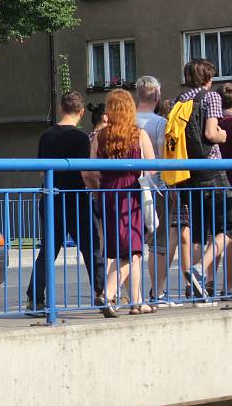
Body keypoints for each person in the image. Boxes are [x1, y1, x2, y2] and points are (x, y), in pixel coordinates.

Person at [26, 91, 104, 316]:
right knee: (91, 247)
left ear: (61, 108)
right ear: (81, 112)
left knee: (48, 250)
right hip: (76, 199)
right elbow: (86, 171)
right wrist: (96, 192)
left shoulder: (46, 136)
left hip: (51, 198)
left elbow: (42, 169)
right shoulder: (80, 138)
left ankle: (35, 299)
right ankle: (101, 292)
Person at [84, 89, 156, 317]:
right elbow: (153, 166)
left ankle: (137, 302)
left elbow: (91, 169)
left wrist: (98, 190)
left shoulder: (100, 136)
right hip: (130, 192)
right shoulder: (138, 134)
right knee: (132, 250)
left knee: (121, 248)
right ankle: (108, 293)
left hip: (107, 192)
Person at [168, 59, 228, 299]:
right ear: (208, 79)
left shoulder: (178, 102)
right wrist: (222, 135)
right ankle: (200, 271)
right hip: (211, 171)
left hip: (187, 173)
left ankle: (193, 286)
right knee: (228, 227)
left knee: (196, 232)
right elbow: (210, 133)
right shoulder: (211, 97)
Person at [135, 76, 179, 307]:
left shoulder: (126, 121)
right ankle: (158, 293)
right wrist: (169, 187)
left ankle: (131, 295)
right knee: (158, 245)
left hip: (130, 187)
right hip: (155, 188)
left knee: (131, 245)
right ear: (157, 96)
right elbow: (162, 158)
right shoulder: (160, 123)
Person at [213, 83, 232, 295]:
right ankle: (229, 286)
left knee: (213, 234)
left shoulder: (212, 125)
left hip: (212, 183)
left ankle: (207, 284)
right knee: (231, 236)